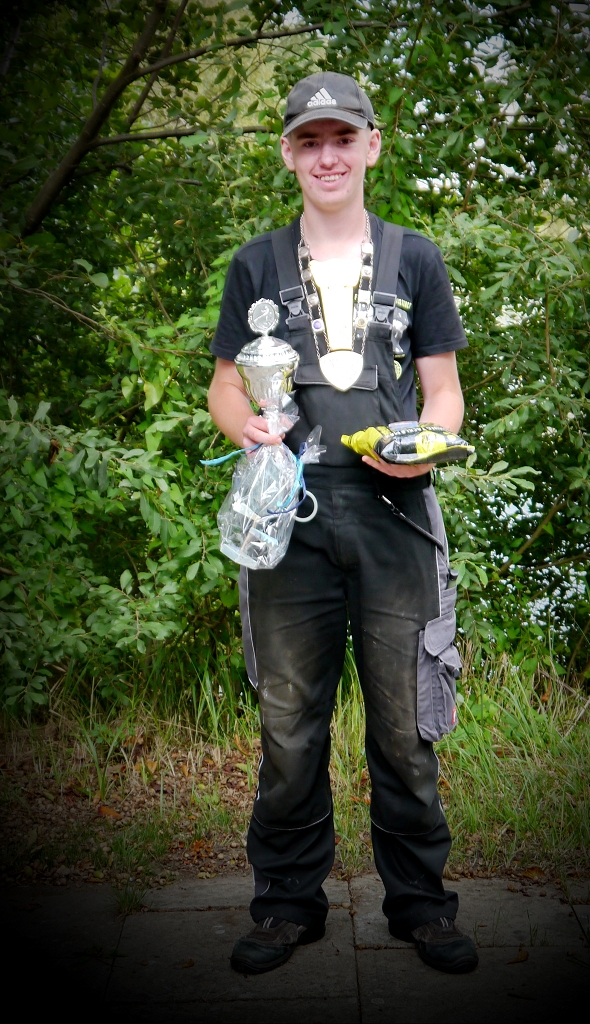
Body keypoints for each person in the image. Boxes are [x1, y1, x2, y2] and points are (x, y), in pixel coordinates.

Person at [207, 71, 477, 975]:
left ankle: (421, 905)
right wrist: (243, 427)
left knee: (405, 726)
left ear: (372, 146)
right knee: (290, 725)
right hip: (287, 515)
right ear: (289, 154)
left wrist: (426, 447)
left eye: (342, 138)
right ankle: (288, 905)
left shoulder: (415, 257)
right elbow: (224, 386)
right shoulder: (255, 264)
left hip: (395, 511)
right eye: (309, 141)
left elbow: (443, 389)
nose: (327, 157)